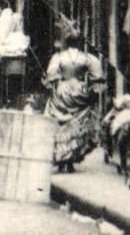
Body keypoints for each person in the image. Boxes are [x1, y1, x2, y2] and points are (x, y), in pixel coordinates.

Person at [43, 34, 103, 171]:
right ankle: (69, 161)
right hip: (79, 89)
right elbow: (97, 76)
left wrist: (54, 83)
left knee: (61, 124)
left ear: (67, 42)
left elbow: (51, 75)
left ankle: (61, 159)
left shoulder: (58, 57)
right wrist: (90, 90)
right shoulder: (86, 57)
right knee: (76, 123)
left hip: (62, 90)